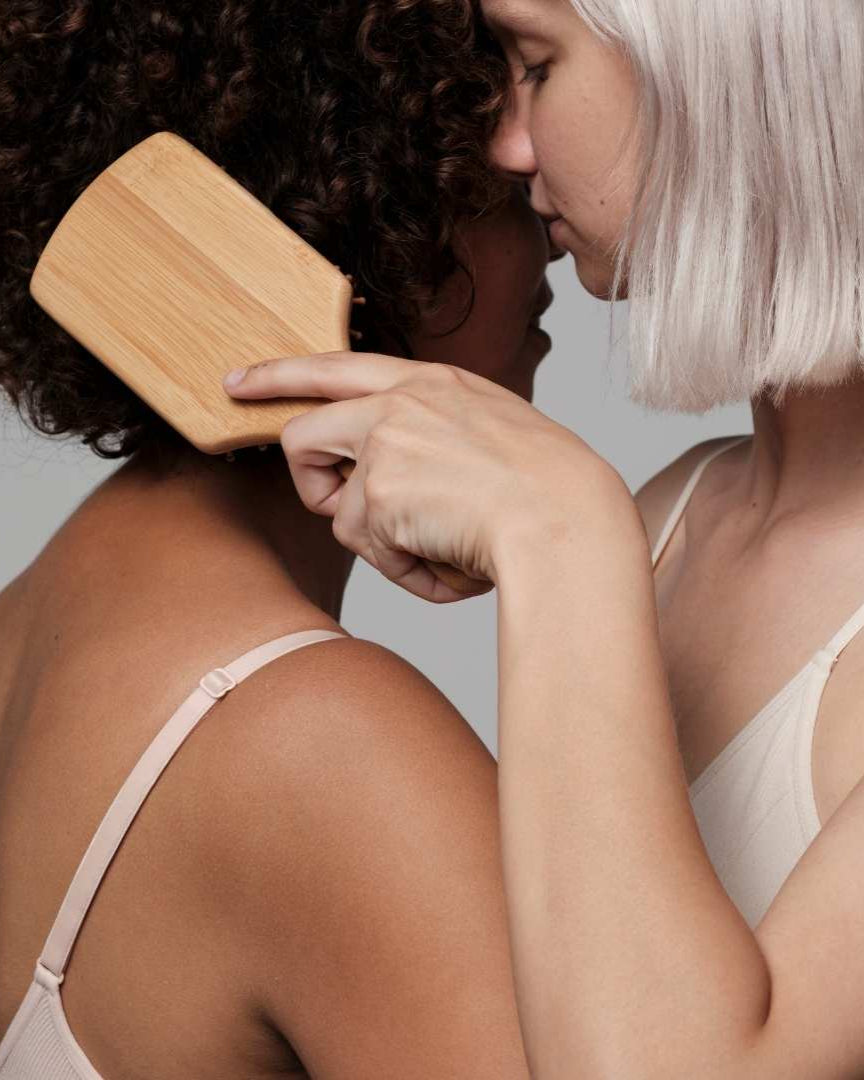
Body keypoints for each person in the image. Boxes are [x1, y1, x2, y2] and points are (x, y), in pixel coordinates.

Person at [223, 0, 864, 1075]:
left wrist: (559, 531)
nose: (505, 147)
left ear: (715, 54)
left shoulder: (599, 534)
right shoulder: (672, 515)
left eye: (535, 65)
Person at [0, 3, 554, 1076]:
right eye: (479, 182)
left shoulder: (29, 621)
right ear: (350, 226)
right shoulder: (331, 750)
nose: (542, 226)